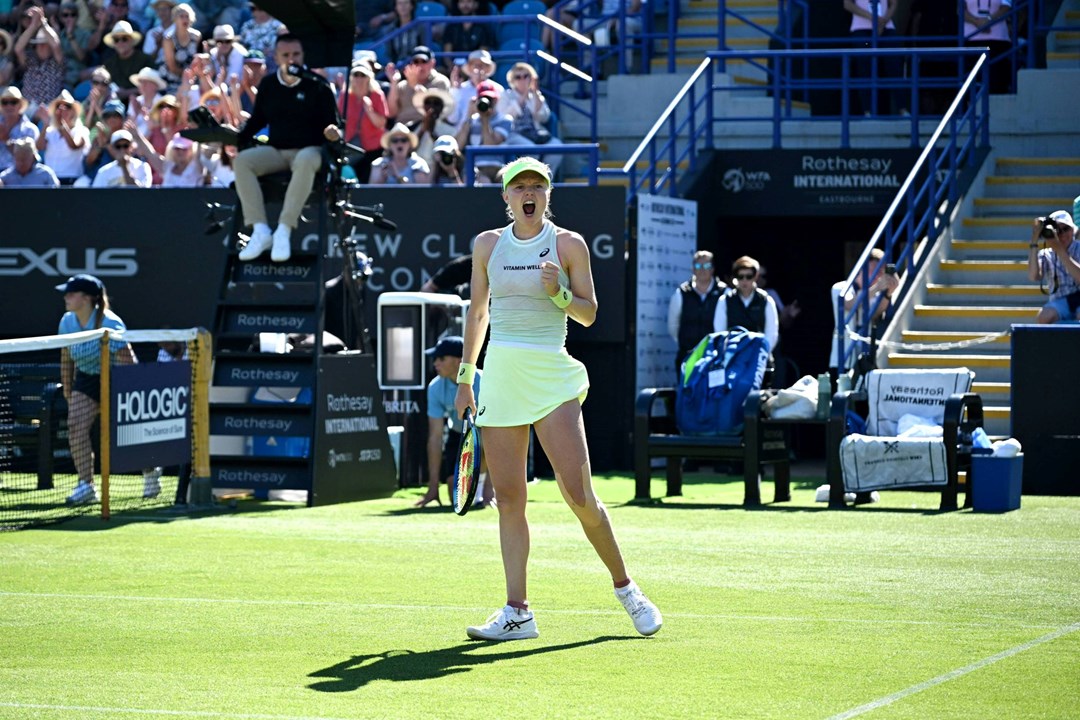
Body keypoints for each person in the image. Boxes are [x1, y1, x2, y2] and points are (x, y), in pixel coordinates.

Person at [454, 156, 662, 641]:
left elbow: (589, 315)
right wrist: (467, 377)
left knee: (578, 494)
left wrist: (562, 294)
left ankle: (627, 588)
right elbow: (478, 312)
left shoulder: (568, 244)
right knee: (509, 498)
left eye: (537, 187)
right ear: (506, 198)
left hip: (551, 372)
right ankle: (517, 611)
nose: (529, 194)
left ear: (547, 196)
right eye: (519, 187)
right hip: (501, 374)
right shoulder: (487, 245)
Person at [234, 34, 341, 263]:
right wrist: (234, 136)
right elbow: (257, 120)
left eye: (296, 54)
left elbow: (333, 126)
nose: (291, 59)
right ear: (276, 57)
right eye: (286, 55)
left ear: (303, 56)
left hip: (310, 152)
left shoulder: (318, 85)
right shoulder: (269, 85)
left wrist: (333, 132)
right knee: (243, 161)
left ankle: (284, 230)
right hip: (278, 151)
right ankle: (260, 230)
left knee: (305, 157)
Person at [54, 274, 153, 505]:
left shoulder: (110, 323)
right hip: (88, 378)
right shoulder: (67, 321)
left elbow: (127, 359)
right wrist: (69, 391)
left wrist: (129, 395)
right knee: (75, 427)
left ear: (87, 298)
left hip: (118, 378)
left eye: (71, 293)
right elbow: (66, 357)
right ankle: (86, 486)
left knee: (129, 434)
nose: (66, 297)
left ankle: (150, 471)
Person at [416, 335, 490, 508]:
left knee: (485, 442)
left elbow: (492, 431)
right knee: (454, 494)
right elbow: (435, 437)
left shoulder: (485, 382)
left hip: (488, 434)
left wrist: (489, 489)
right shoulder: (435, 387)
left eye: (441, 358)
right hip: (458, 434)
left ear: (459, 361)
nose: (436, 363)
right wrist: (433, 486)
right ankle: (470, 493)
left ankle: (482, 492)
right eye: (435, 359)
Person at [829, 247, 899, 376]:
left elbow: (876, 314)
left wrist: (888, 292)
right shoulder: (841, 287)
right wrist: (877, 287)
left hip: (863, 359)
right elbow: (849, 304)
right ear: (861, 268)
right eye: (873, 270)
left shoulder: (874, 294)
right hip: (842, 359)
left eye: (880, 272)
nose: (877, 275)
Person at [498, 61, 561, 176]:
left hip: (536, 133)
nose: (522, 80)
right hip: (514, 133)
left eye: (526, 76)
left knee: (557, 147)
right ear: (512, 80)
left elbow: (544, 118)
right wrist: (523, 96)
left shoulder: (537, 96)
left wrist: (535, 93)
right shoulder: (506, 95)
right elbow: (506, 116)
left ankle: (546, 181)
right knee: (531, 150)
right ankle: (530, 183)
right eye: (518, 77)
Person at [844, 0, 907, 116]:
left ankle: (902, 108)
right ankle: (868, 111)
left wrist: (883, 21)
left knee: (894, 66)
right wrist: (872, 18)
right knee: (864, 67)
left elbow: (893, 3)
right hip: (861, 29)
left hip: (885, 28)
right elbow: (847, 4)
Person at [666, 250, 722, 380]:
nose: (702, 270)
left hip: (715, 358)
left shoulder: (724, 293)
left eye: (706, 266)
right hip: (687, 356)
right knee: (687, 395)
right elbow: (673, 326)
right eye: (698, 266)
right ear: (692, 269)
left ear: (713, 269)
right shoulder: (681, 293)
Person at [712, 255, 779, 360]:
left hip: (759, 358)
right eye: (740, 276)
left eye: (749, 276)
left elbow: (772, 334)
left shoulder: (766, 300)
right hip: (732, 358)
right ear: (735, 277)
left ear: (756, 276)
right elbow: (720, 332)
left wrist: (761, 353)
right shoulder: (725, 300)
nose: (744, 280)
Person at [337, 61, 389, 183]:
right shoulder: (345, 95)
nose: (359, 79)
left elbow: (381, 123)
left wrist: (369, 110)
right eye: (356, 75)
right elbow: (339, 119)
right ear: (351, 77)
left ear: (369, 78)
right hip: (351, 145)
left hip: (373, 149)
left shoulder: (377, 95)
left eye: (363, 75)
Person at [1027, 210, 1080, 324]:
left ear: (1072, 230)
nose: (1062, 235)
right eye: (1058, 231)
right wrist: (1034, 240)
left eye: (1066, 229)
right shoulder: (1045, 254)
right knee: (1044, 317)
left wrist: (1060, 251)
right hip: (1059, 303)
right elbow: (1033, 276)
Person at [454, 79, 511, 184]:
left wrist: (485, 119)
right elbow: (458, 145)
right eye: (483, 98)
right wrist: (468, 115)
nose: (487, 102)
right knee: (483, 182)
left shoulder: (505, 120)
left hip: (498, 167)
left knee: (507, 181)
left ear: (496, 100)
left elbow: (490, 145)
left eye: (490, 99)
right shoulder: (471, 120)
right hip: (476, 168)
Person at [385, 44, 452, 127]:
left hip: (427, 128)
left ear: (432, 63)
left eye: (424, 61)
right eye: (416, 61)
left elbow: (434, 111)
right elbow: (391, 113)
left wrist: (415, 86)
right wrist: (393, 83)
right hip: (403, 132)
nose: (420, 66)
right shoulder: (402, 85)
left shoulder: (441, 82)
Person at [14, 7, 64, 110]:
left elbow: (56, 45)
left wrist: (43, 23)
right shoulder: (30, 60)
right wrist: (33, 25)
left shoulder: (57, 63)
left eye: (44, 44)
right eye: (38, 44)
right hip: (27, 109)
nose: (41, 47)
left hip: (49, 109)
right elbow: (18, 49)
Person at [36, 89, 89, 184]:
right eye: (59, 107)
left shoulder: (81, 130)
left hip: (71, 181)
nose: (62, 110)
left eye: (67, 106)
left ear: (73, 111)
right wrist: (45, 124)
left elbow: (74, 145)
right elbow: (39, 147)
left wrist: (62, 125)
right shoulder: (49, 131)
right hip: (50, 181)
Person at [963, 0, 1013, 95]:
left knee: (997, 81)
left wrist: (989, 20)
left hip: (998, 40)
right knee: (973, 82)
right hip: (971, 39)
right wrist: (977, 22)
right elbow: (960, 9)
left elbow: (1006, 7)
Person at [102, 20, 154, 103]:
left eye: (124, 39)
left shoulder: (146, 60)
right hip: (114, 106)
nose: (120, 42)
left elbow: (153, 86)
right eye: (116, 40)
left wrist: (127, 93)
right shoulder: (109, 64)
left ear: (132, 40)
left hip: (142, 104)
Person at [0, 85, 40, 173]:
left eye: (13, 102)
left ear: (20, 105)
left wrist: (6, 140)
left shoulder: (30, 129)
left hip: (20, 178)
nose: (9, 106)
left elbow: (30, 158)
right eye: (5, 102)